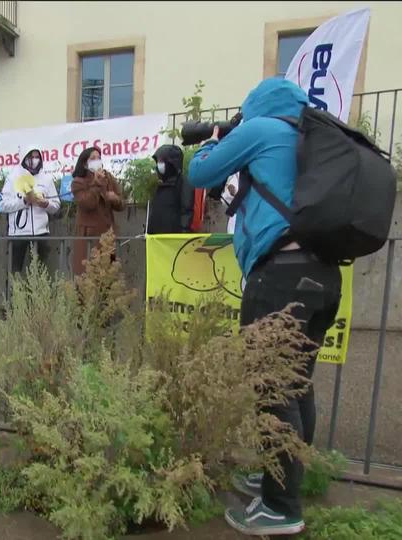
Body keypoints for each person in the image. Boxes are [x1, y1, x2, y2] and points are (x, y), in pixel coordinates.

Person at [187, 78, 342, 537]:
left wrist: (213, 143)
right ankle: (286, 477)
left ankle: (280, 506)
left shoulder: (263, 130)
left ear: (257, 105)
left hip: (280, 275)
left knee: (271, 388)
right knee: (296, 385)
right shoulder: (307, 136)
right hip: (323, 275)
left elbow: (200, 175)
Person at [0, 146, 60, 274]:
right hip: (18, 234)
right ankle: (15, 294)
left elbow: (56, 205)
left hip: (41, 233)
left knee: (40, 272)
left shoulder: (46, 179)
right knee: (15, 272)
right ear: (24, 158)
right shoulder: (12, 178)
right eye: (31, 157)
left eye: (37, 157)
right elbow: (3, 204)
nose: (34, 160)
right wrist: (24, 201)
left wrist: (46, 204)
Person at [70, 148, 124, 274]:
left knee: (108, 277)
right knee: (88, 276)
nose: (97, 161)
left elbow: (122, 204)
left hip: (108, 235)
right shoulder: (78, 182)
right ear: (84, 163)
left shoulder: (108, 178)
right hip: (89, 237)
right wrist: (96, 184)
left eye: (98, 158)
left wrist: (115, 199)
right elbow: (88, 203)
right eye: (92, 158)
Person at [146, 145, 194, 234]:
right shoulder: (160, 185)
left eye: (162, 161)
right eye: (158, 161)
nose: (158, 165)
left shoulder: (183, 183)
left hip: (173, 238)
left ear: (172, 163)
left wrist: (183, 233)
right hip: (156, 238)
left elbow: (186, 211)